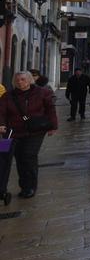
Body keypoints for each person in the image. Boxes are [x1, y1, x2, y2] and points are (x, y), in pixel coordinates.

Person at [0, 71, 59, 200]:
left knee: (28, 156)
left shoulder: (42, 93)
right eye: (17, 80)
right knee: (7, 156)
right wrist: (1, 124)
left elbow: (50, 109)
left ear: (30, 80)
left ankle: (29, 187)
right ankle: (15, 186)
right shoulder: (7, 96)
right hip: (11, 132)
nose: (20, 82)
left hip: (35, 131)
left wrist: (53, 126)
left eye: (23, 79)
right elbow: (1, 112)